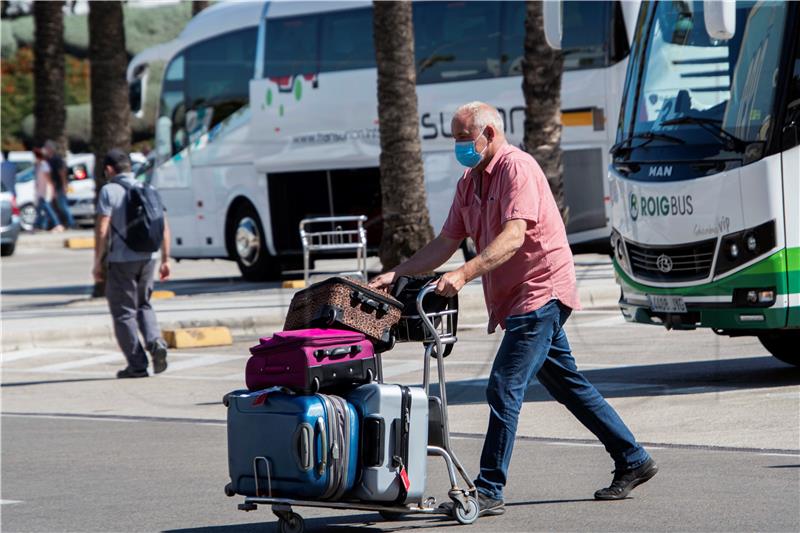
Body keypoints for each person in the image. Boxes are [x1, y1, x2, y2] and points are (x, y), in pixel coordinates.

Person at [370, 102, 657, 516]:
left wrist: (463, 275)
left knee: (503, 386)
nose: (459, 147)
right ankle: (633, 458)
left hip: (541, 291)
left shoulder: (516, 169)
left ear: (488, 134)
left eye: (464, 139)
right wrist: (397, 272)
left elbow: (513, 237)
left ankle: (489, 489)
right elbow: (444, 242)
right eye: (454, 139)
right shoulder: (470, 181)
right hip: (517, 297)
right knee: (568, 385)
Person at [93, 148, 171, 379]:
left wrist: (97, 261)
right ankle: (155, 341)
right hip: (149, 257)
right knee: (144, 304)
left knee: (123, 312)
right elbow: (164, 225)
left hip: (122, 260)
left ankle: (137, 365)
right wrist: (166, 259)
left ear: (109, 169)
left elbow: (102, 228)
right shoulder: (148, 188)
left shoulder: (109, 191)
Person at [44, 140, 76, 229]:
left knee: (62, 205)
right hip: (54, 187)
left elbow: (62, 173)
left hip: (59, 186)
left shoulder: (56, 159)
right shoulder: (49, 160)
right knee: (56, 206)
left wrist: (64, 185)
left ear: (50, 149)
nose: (45, 150)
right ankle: (59, 223)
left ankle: (71, 223)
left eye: (46, 148)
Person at [32, 147, 64, 232]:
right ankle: (38, 226)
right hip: (40, 191)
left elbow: (49, 180)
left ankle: (57, 225)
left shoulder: (44, 165)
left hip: (45, 191)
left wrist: (52, 191)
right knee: (40, 209)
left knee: (48, 208)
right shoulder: (39, 165)